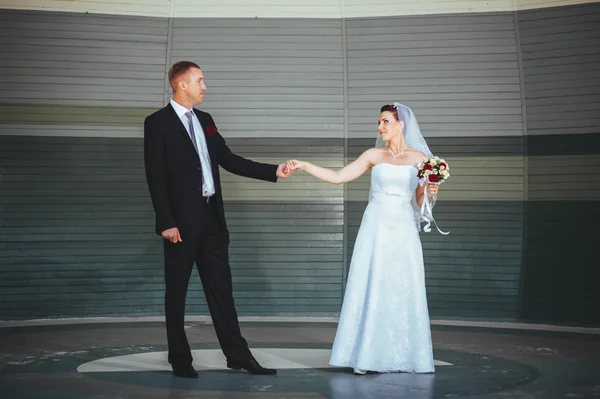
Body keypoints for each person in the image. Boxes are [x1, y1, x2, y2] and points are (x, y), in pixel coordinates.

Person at [144, 61, 292, 378]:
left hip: (212, 221)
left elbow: (227, 159)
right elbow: (155, 177)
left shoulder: (207, 121)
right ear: (181, 84)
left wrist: (273, 171)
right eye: (200, 80)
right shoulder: (157, 123)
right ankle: (180, 360)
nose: (205, 86)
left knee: (222, 292)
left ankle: (238, 356)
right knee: (177, 294)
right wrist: (166, 222)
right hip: (180, 226)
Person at [287, 103, 440, 374]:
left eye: (385, 122)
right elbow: (338, 177)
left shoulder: (420, 159)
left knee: (403, 285)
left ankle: (405, 356)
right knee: (372, 282)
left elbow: (420, 200)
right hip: (376, 226)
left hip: (403, 226)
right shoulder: (373, 154)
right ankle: (367, 355)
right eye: (379, 122)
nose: (380, 127)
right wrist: (305, 165)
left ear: (400, 124)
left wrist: (431, 189)